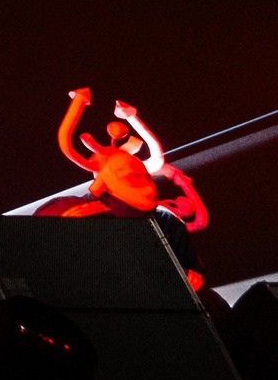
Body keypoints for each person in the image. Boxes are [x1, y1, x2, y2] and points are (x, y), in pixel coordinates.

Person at [39, 89, 212, 292]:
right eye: (125, 171)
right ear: (104, 178)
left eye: (143, 173)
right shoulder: (70, 213)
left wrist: (191, 279)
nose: (140, 178)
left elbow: (192, 271)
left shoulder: (167, 221)